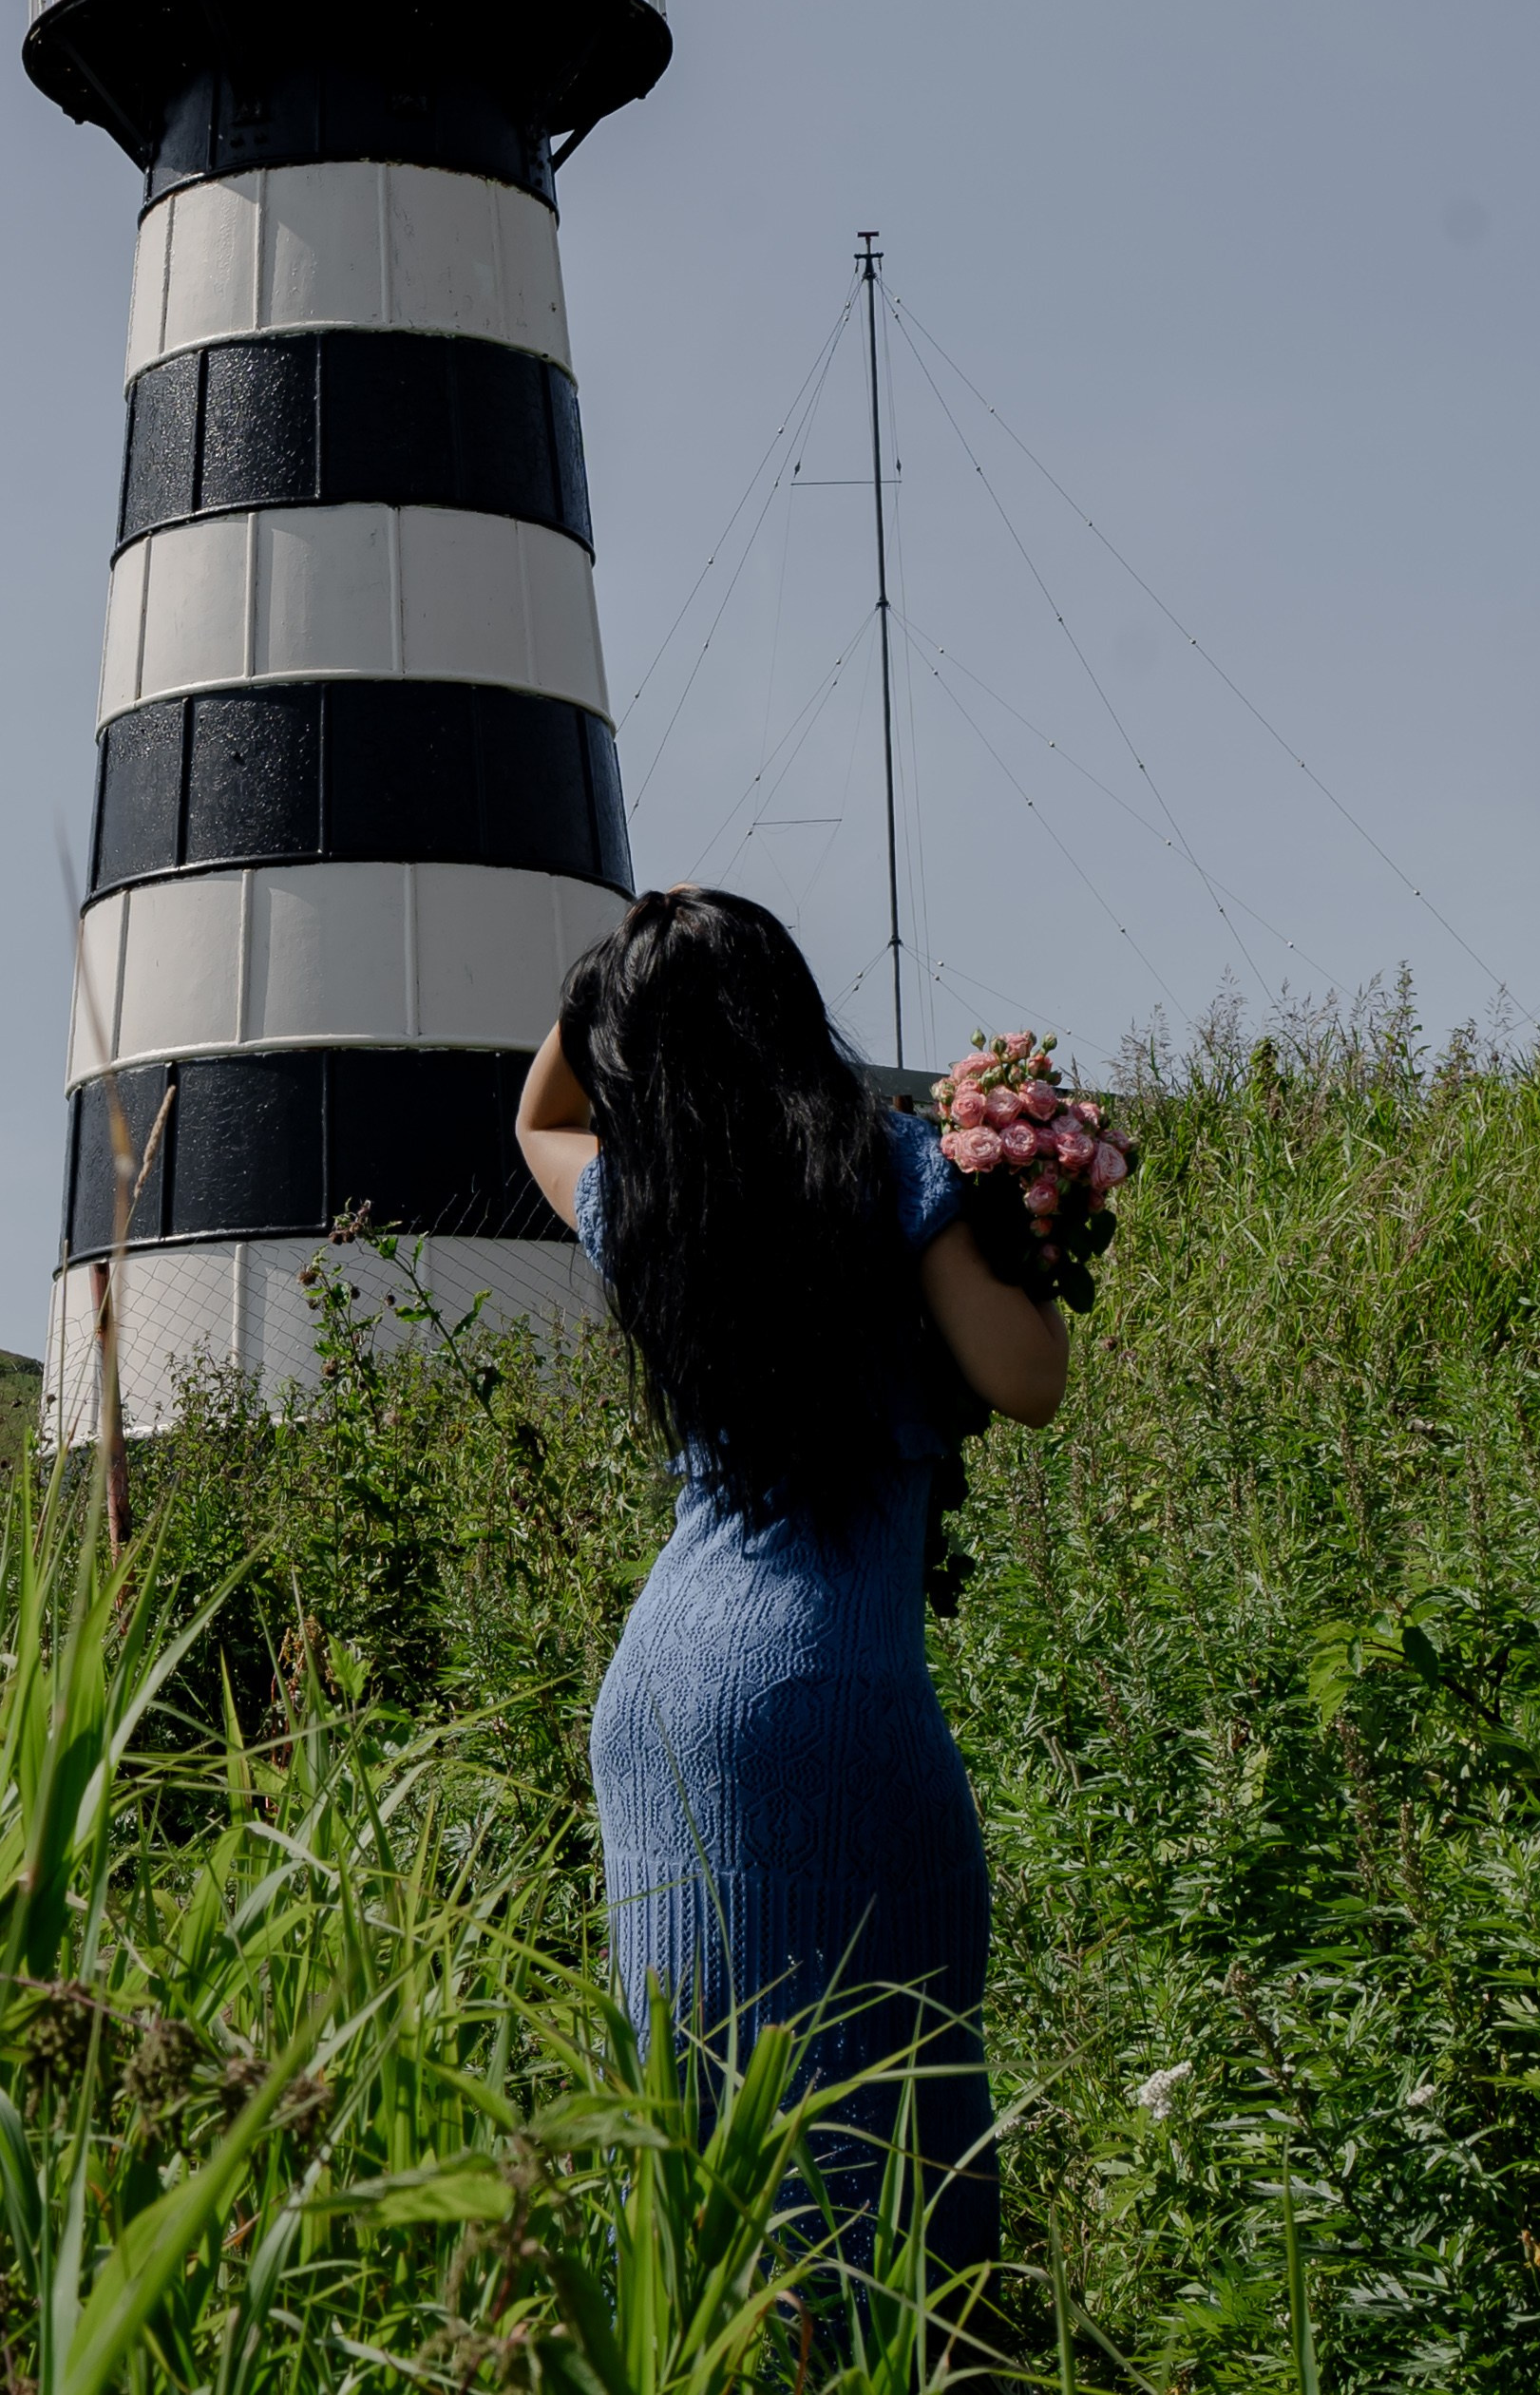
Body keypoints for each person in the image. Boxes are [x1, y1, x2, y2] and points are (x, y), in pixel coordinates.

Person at [515, 884, 1068, 2300]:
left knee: (699, 2109)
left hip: (658, 1686)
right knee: (891, 2104)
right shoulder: (893, 1174)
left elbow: (538, 1116)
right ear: (793, 1013)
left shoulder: (651, 1204)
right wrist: (1016, 1215)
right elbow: (1030, 1380)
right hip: (824, 1681)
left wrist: (607, 987)